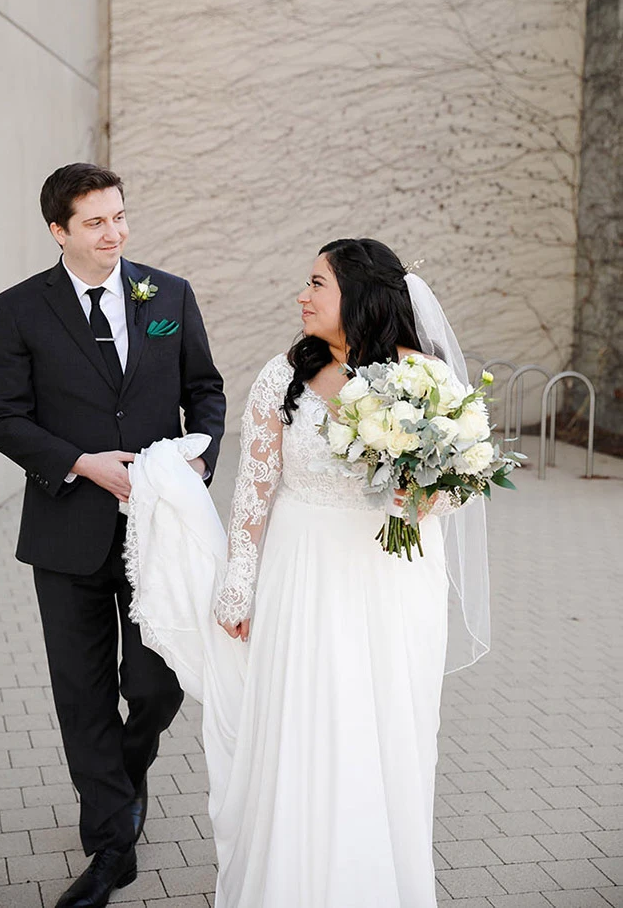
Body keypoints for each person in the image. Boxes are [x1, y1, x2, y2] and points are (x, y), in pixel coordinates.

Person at [211, 238, 489, 908]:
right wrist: (238, 580)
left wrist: (426, 494)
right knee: (308, 731)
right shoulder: (283, 377)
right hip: (304, 575)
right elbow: (254, 491)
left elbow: (467, 476)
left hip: (396, 582)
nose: (301, 296)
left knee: (389, 732)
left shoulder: (424, 377)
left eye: (316, 284)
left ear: (359, 296)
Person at [0, 163, 226, 908]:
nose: (113, 232)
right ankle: (112, 849)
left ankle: (122, 772)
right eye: (94, 222)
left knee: (156, 681)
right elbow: (4, 417)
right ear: (59, 230)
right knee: (81, 694)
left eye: (119, 216)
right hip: (66, 531)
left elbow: (206, 392)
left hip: (160, 530)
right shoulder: (20, 309)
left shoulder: (168, 294)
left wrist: (198, 458)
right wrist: (80, 463)